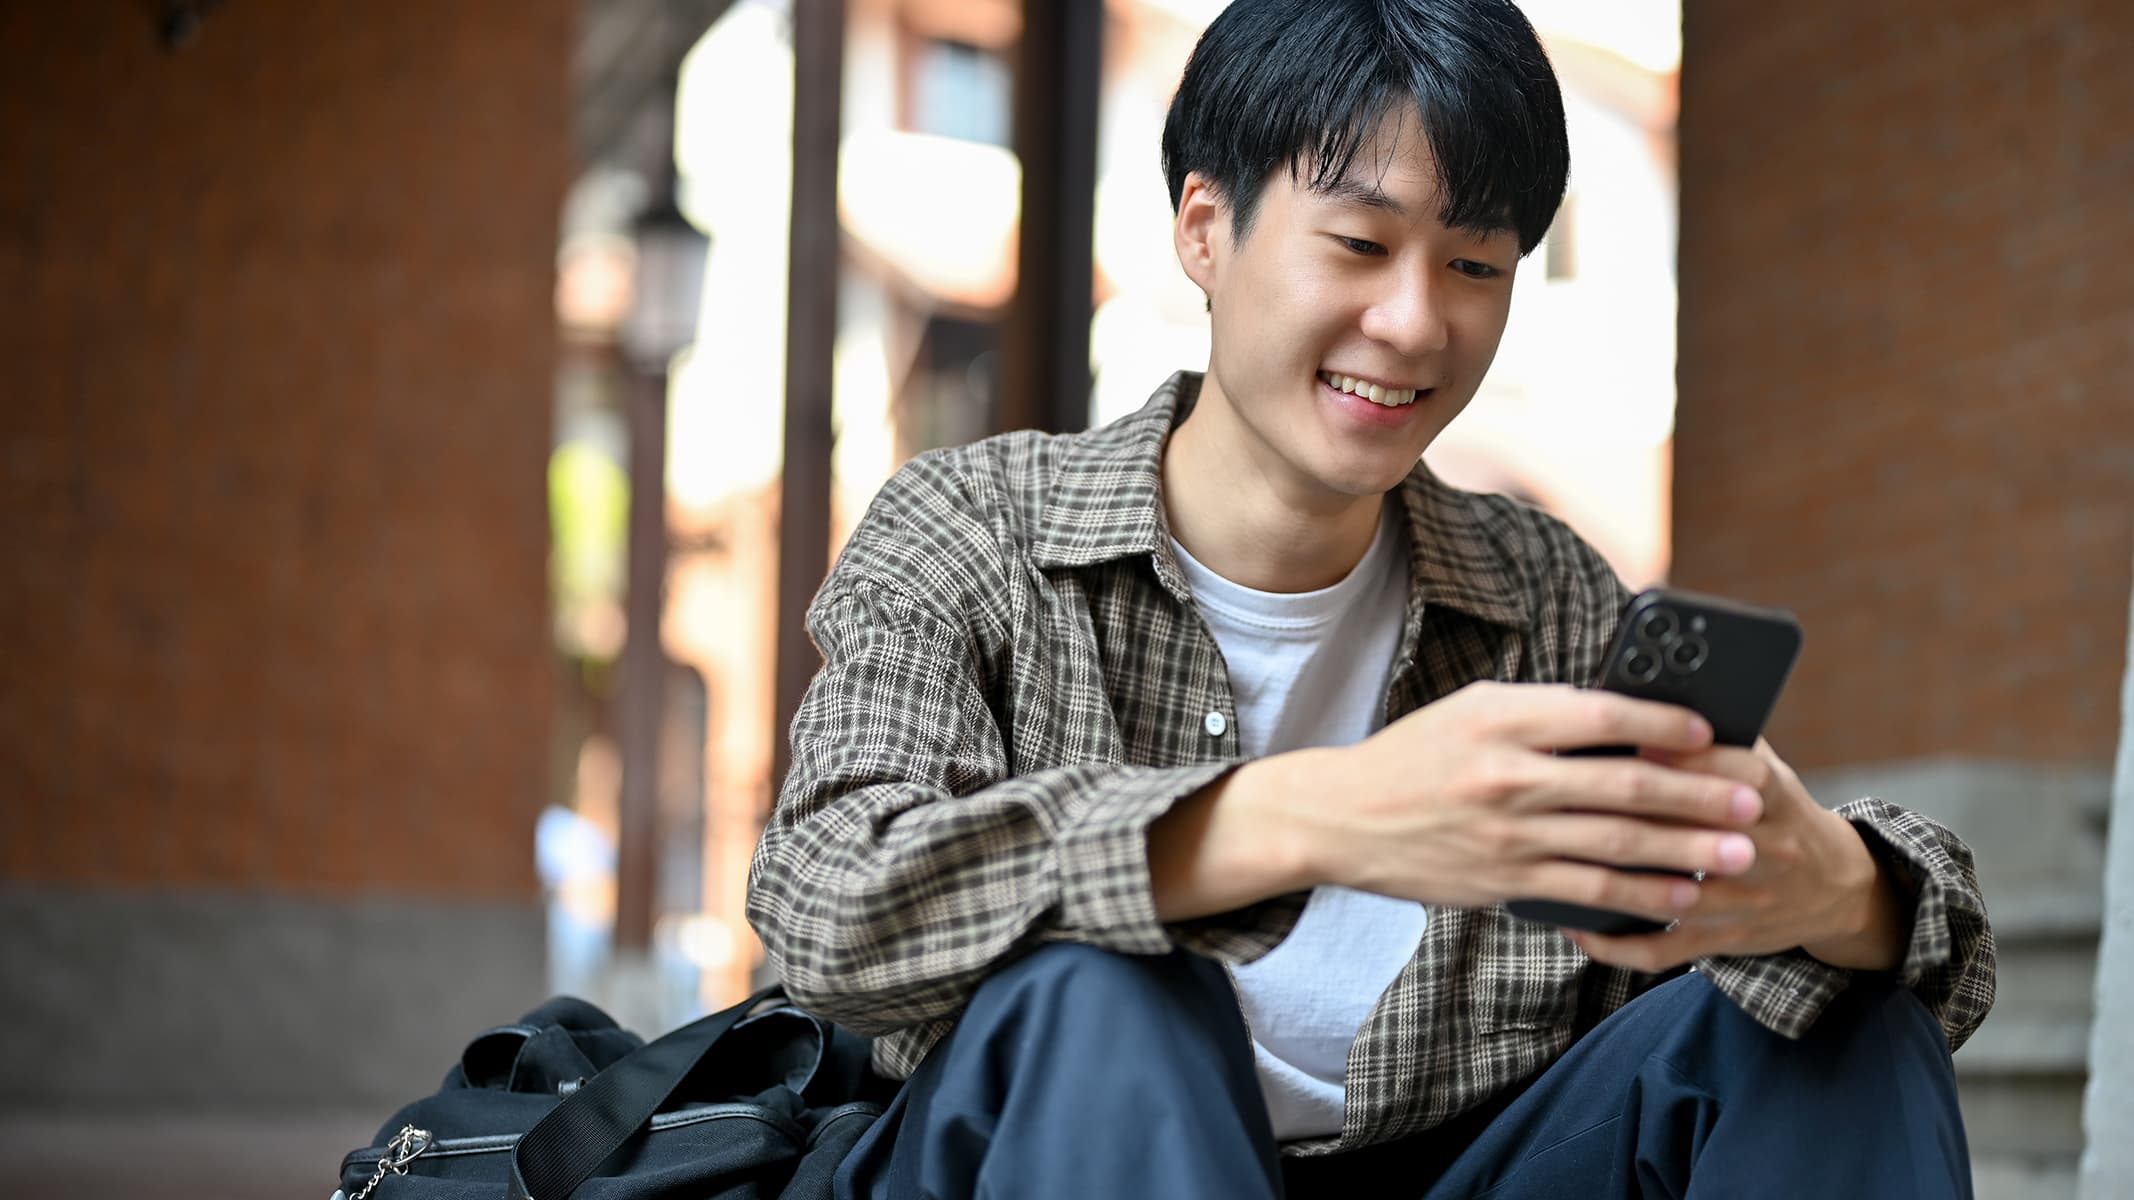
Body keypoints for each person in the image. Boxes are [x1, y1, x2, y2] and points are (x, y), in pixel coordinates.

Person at [748, 1, 1996, 1195]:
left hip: (1452, 1167)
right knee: (1108, 988)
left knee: (1838, 1018)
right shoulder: (977, 529)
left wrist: (1835, 888)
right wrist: (1311, 817)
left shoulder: (1543, 596)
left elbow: (1927, 970)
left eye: (1474, 265)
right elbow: (825, 899)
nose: (1413, 323)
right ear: (1203, 228)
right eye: (1357, 244)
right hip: (1045, 1152)